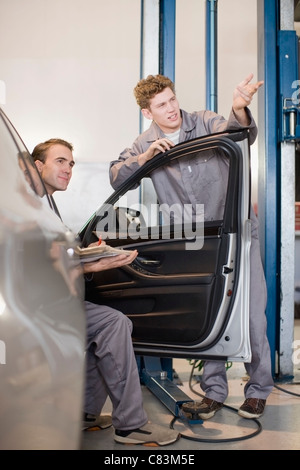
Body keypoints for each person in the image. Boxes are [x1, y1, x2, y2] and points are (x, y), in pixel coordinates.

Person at [109, 73, 274, 420]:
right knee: (209, 313)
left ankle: (258, 390)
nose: (171, 109)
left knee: (252, 314)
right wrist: (145, 160)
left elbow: (241, 135)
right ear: (147, 112)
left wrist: (239, 108)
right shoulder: (143, 143)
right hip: (196, 241)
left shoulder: (204, 121)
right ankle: (214, 393)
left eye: (172, 100)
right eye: (161, 105)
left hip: (236, 232)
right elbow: (115, 177)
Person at [31, 138, 181, 446]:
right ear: (38, 165)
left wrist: (89, 256)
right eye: (60, 161)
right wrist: (90, 266)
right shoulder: (29, 207)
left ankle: (84, 414)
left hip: (52, 304)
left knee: (108, 325)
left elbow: (53, 255)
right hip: (37, 311)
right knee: (112, 324)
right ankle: (131, 426)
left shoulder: (45, 204)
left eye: (71, 163)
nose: (68, 169)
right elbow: (33, 266)